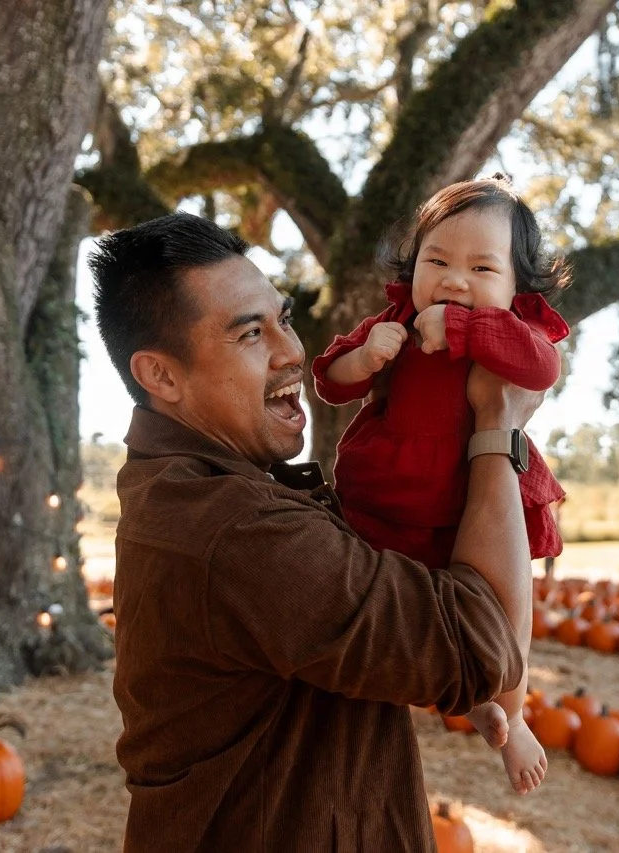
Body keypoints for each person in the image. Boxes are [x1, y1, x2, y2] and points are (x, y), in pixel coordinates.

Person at [91, 212, 542, 850]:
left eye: (284, 319)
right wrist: (498, 423)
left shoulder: (196, 489)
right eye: (250, 334)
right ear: (161, 376)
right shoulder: (235, 531)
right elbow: (482, 641)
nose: (293, 353)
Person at [311, 174, 570, 793]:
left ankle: (510, 712)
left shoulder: (513, 330)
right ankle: (451, 692)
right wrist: (368, 356)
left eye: (483, 268)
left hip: (466, 508)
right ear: (413, 265)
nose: (455, 280)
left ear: (516, 287)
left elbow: (542, 366)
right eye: (438, 261)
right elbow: (330, 381)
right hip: (384, 502)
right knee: (388, 612)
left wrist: (462, 331)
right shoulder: (393, 320)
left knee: (505, 616)